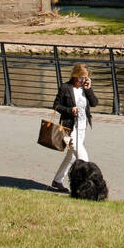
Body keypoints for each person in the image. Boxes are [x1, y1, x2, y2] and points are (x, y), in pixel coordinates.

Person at [50, 63, 98, 193]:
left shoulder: (85, 89)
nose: (83, 81)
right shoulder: (66, 87)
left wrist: (89, 89)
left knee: (71, 156)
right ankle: (86, 186)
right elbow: (56, 106)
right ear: (75, 76)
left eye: (86, 79)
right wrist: (70, 110)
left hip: (82, 126)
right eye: (81, 78)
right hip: (69, 128)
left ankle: (57, 180)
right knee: (83, 157)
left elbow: (94, 103)